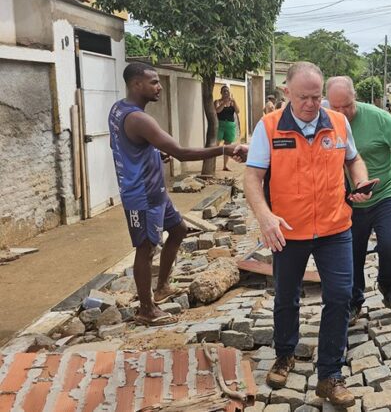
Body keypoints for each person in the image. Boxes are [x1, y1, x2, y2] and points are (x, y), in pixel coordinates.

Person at [244, 62, 373, 408]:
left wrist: (360, 181)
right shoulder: (269, 127)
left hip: (335, 228)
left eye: (317, 97)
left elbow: (354, 160)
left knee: (340, 296)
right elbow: (252, 178)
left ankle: (330, 375)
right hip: (288, 230)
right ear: (287, 92)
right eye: (303, 97)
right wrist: (265, 216)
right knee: (286, 296)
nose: (311, 104)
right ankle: (285, 353)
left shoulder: (338, 122)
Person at [109, 63, 239, 327]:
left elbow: (127, 144)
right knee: (146, 248)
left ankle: (162, 287)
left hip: (155, 190)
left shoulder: (118, 109)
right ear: (136, 84)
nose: (159, 87)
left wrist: (154, 154)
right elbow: (182, 153)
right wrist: (225, 150)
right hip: (142, 195)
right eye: (154, 82)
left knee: (178, 229)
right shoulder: (139, 119)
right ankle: (146, 310)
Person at [326, 77, 391, 323]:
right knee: (353, 252)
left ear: (355, 97)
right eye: (336, 107)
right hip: (349, 198)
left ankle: (386, 283)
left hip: (384, 192)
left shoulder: (377, 117)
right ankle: (354, 300)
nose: (342, 112)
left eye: (347, 106)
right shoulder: (323, 120)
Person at [214, 85, 240, 171]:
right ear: (221, 92)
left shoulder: (232, 102)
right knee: (216, 145)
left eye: (227, 91)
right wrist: (224, 103)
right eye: (224, 91)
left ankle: (225, 166)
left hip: (230, 126)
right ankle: (212, 164)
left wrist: (234, 101)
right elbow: (217, 111)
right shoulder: (217, 101)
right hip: (220, 125)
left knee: (227, 146)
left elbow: (237, 111)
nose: (226, 92)